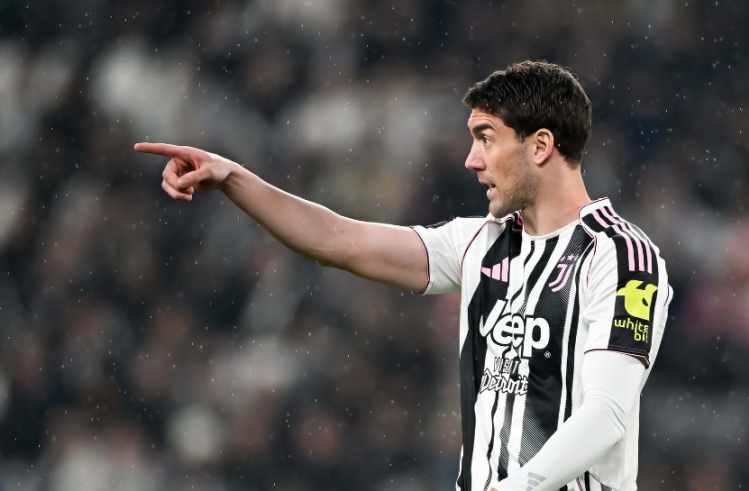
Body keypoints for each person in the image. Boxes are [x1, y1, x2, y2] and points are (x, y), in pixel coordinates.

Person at [135, 60, 672, 491]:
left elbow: (606, 414)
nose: (472, 160)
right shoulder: (479, 242)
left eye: (486, 138)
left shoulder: (623, 258)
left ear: (540, 145)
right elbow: (338, 241)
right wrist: (234, 178)